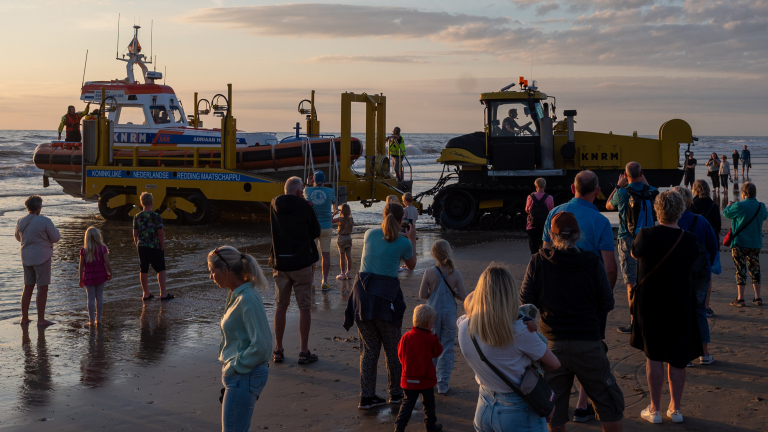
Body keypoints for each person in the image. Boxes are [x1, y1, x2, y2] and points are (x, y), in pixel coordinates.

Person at [521, 212, 623, 432]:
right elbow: (607, 302)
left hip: (552, 345)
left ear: (551, 234)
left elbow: (526, 302)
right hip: (588, 342)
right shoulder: (592, 262)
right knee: (609, 405)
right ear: (578, 235)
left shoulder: (538, 261)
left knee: (554, 409)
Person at [542, 170, 617, 419]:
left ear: (573, 189)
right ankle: (583, 405)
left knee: (557, 354)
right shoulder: (601, 221)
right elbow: (609, 266)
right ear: (596, 192)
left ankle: (557, 411)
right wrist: (604, 296)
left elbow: (544, 256)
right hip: (589, 298)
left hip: (555, 298)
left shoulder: (555, 214)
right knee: (591, 347)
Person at [458, 264, 561, 432]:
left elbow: (468, 303)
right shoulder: (520, 331)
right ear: (510, 295)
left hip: (484, 405)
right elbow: (554, 364)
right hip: (517, 411)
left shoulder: (464, 327)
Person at [630, 190, 701, 424]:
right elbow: (693, 263)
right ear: (680, 211)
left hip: (651, 303)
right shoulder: (688, 239)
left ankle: (655, 408)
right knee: (678, 357)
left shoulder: (646, 235)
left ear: (657, 210)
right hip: (680, 301)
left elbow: (634, 253)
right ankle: (676, 409)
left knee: (654, 356)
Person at [343, 203, 417, 410]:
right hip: (385, 299)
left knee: (368, 349)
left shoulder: (369, 234)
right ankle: (395, 393)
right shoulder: (403, 242)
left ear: (383, 215)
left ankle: (366, 396)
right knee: (393, 349)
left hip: (362, 297)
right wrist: (411, 238)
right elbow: (411, 266)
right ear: (402, 220)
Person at [208, 246, 272, 432]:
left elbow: (262, 346)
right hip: (242, 375)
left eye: (213, 272)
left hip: (244, 375)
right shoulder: (237, 294)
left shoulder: (247, 299)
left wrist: (233, 367)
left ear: (226, 270)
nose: (211, 277)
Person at [269, 176, 321, 364]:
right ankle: (303, 351)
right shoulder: (305, 207)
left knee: (281, 306)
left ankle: (278, 349)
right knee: (304, 307)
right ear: (299, 192)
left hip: (280, 262)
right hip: (301, 262)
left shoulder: (274, 204)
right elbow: (316, 231)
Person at [605, 162, 657, 334]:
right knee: (649, 278)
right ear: (641, 173)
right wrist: (647, 183)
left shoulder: (621, 193)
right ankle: (650, 318)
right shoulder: (652, 191)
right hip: (649, 238)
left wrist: (617, 186)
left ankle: (635, 322)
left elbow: (608, 206)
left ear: (626, 175)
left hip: (628, 239)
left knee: (631, 283)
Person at [673, 187, 718, 367]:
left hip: (677, 274)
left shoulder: (669, 222)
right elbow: (713, 246)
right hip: (700, 271)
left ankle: (686, 354)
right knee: (699, 311)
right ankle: (704, 353)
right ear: (690, 201)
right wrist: (706, 262)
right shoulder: (701, 221)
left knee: (680, 312)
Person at [419, 240, 468, 394]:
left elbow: (422, 295)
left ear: (433, 254)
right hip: (449, 313)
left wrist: (431, 293)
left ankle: (430, 380)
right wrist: (454, 293)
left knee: (431, 347)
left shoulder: (429, 272)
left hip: (431, 314)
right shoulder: (455, 273)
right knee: (446, 348)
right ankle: (443, 383)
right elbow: (464, 296)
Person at [395, 304, 444, 432]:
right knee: (429, 405)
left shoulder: (406, 337)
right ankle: (430, 426)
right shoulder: (430, 339)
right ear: (429, 325)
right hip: (426, 379)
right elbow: (438, 352)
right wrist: (434, 337)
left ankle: (399, 427)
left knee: (407, 404)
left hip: (408, 378)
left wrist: (406, 366)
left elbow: (400, 354)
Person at [15, 195, 61, 326]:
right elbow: (56, 237)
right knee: (42, 288)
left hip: (26, 257)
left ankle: (24, 318)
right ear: (38, 207)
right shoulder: (44, 221)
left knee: (28, 287)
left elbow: (18, 238)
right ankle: (41, 319)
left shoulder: (20, 221)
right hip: (42, 257)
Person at [723, 182, 768, 307]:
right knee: (755, 270)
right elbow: (765, 216)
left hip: (739, 243)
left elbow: (726, 213)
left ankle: (741, 298)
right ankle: (758, 297)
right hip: (755, 243)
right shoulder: (761, 206)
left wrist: (728, 205)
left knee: (740, 270)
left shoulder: (739, 205)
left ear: (743, 194)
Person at [133, 192, 173, 301]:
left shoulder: (137, 217)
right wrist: (162, 246)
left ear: (141, 203)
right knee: (161, 269)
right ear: (152, 202)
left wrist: (138, 245)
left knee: (143, 269)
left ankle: (146, 294)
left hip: (141, 246)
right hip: (154, 245)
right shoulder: (156, 216)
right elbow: (160, 233)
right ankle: (163, 293)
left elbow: (135, 235)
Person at [691, 180, 721, 317]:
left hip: (693, 243)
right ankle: (706, 306)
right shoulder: (714, 206)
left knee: (691, 275)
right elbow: (718, 227)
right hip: (709, 243)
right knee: (707, 276)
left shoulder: (691, 205)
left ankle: (691, 305)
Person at [304, 171, 336, 291]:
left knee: (312, 256)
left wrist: (307, 184)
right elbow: (333, 203)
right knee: (325, 255)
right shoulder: (330, 191)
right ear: (325, 180)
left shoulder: (307, 191)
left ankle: (312, 282)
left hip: (313, 227)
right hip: (326, 227)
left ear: (313, 181)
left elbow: (304, 195)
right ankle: (325, 282)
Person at [79, 227, 112, 326]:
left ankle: (91, 320)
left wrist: (80, 278)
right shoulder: (103, 249)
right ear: (98, 236)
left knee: (90, 298)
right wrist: (111, 272)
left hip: (89, 277)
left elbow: (81, 266)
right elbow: (107, 262)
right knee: (99, 297)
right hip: (101, 275)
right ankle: (99, 319)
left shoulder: (84, 250)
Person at [525, 177, 554, 255]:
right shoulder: (550, 198)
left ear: (535, 186)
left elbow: (527, 210)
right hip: (544, 226)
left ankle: (535, 263)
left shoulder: (530, 197)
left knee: (533, 248)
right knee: (544, 249)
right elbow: (551, 211)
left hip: (532, 226)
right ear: (545, 186)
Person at [332, 203, 354, 280]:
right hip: (348, 237)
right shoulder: (351, 219)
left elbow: (330, 220)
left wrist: (334, 213)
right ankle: (348, 272)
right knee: (348, 256)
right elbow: (351, 230)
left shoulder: (340, 219)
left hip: (341, 237)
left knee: (342, 256)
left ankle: (342, 273)